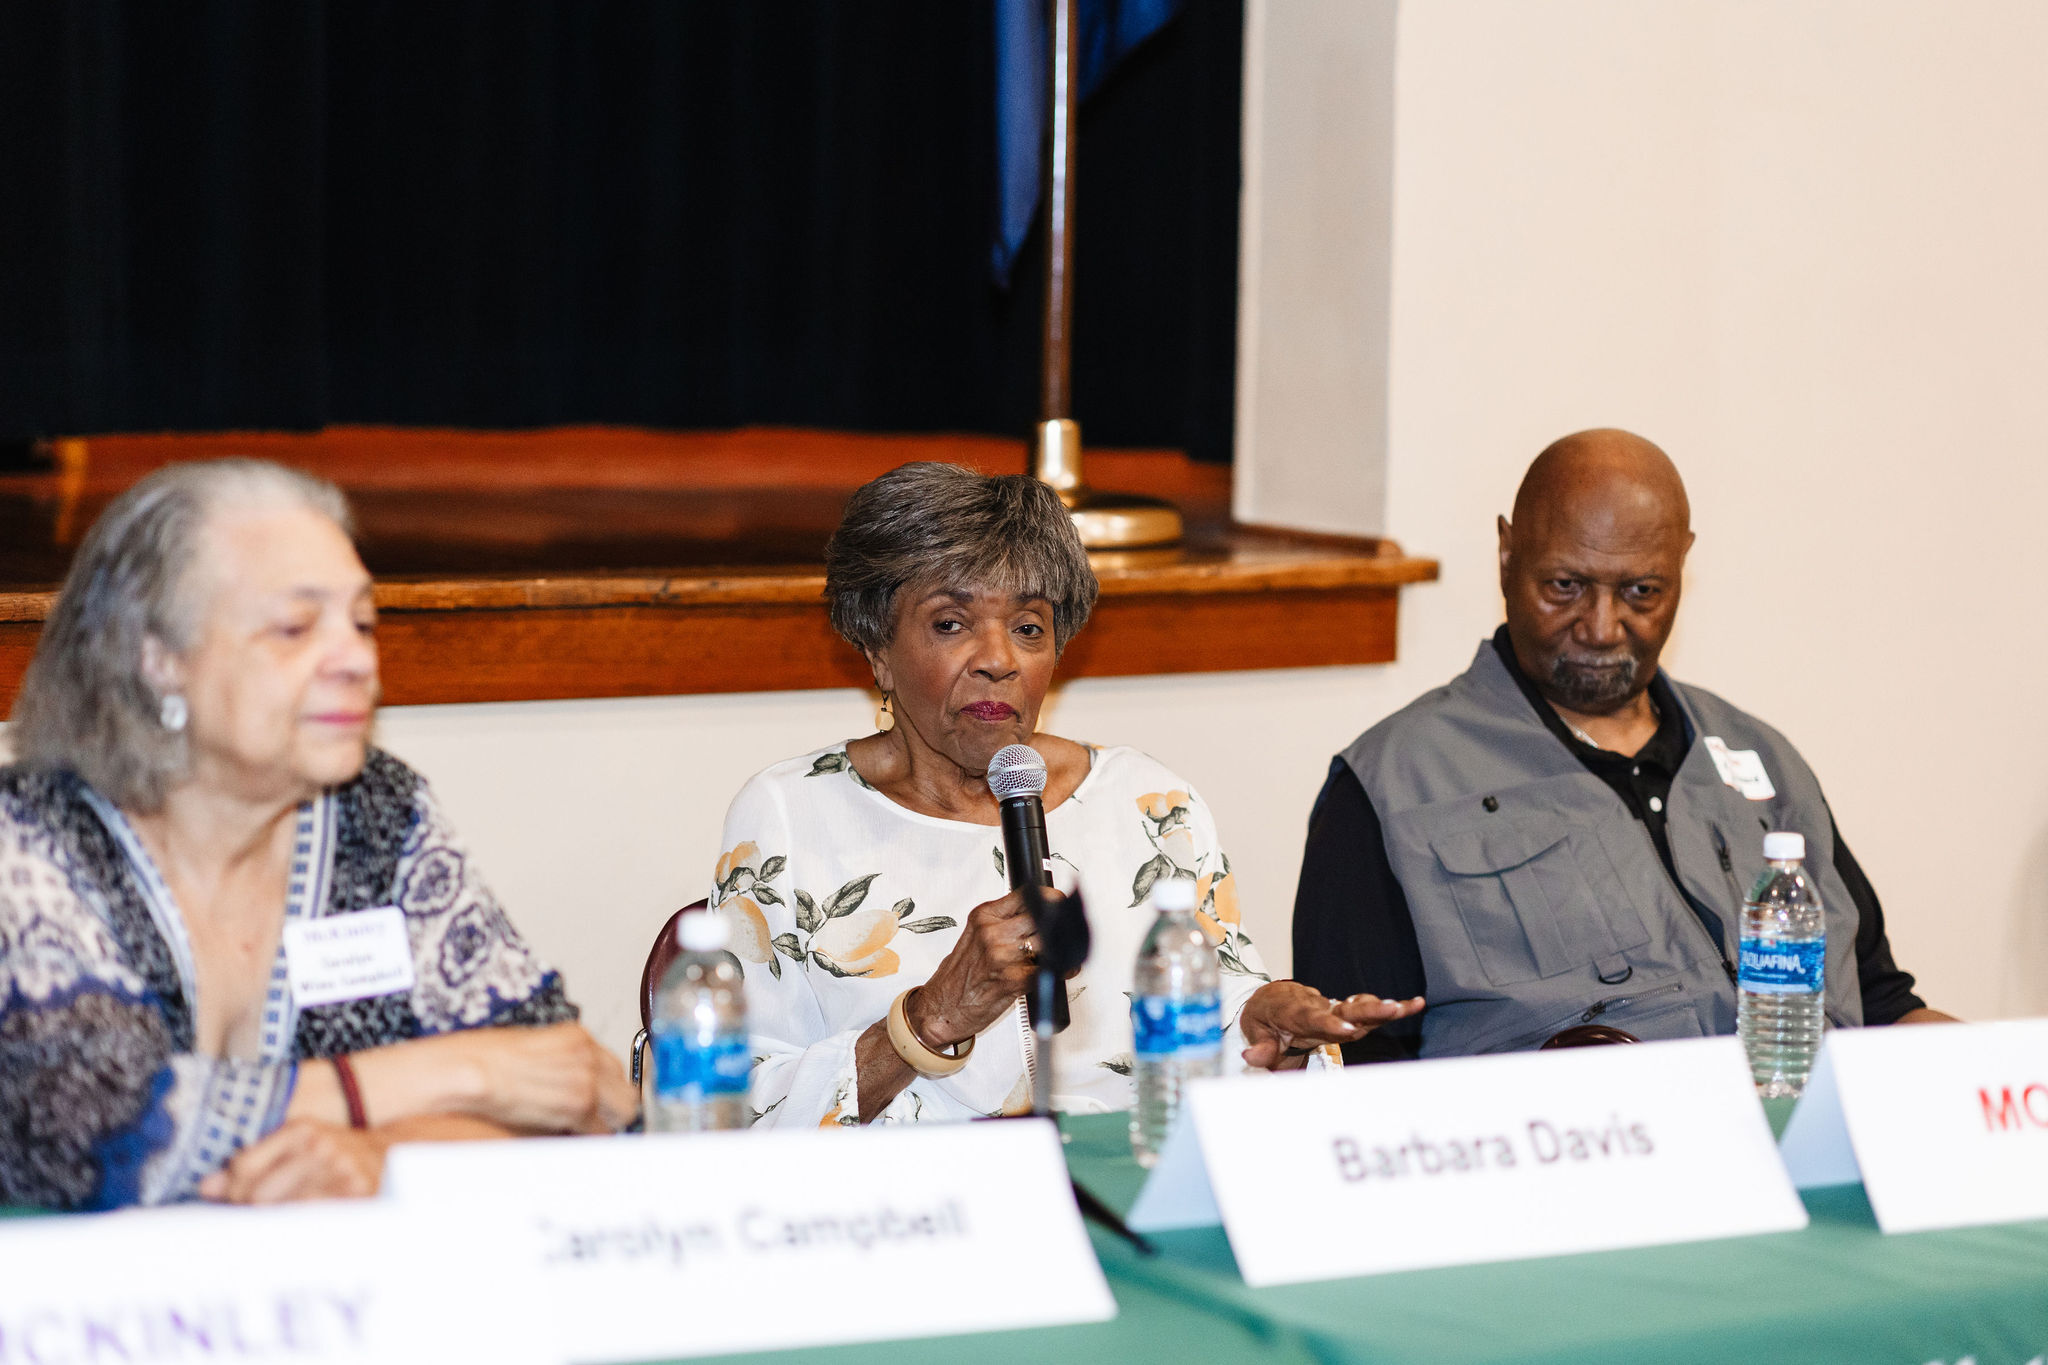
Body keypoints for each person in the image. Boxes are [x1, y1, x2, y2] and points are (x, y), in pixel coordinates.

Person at [0, 460, 636, 1209]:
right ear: (160, 661)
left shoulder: (379, 814)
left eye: (363, 621)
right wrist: (466, 1075)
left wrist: (377, 1153)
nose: (357, 658)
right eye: (295, 627)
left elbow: (582, 1097)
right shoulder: (33, 837)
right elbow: (103, 1126)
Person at [709, 463, 1421, 1125]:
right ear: (876, 648)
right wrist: (930, 1019)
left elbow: (1224, 1024)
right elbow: (734, 1113)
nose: (998, 660)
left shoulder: (1150, 806)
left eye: (1028, 628)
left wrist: (1267, 1025)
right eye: (951, 623)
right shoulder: (791, 815)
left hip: (1131, 1196)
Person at [1292, 429, 1953, 1061]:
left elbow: (1883, 1002)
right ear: (1505, 555)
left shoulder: (1762, 757)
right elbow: (1357, 1074)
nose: (1603, 627)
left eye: (1641, 591)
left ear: (1681, 567)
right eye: (1565, 586)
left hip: (1800, 1143)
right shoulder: (1392, 785)